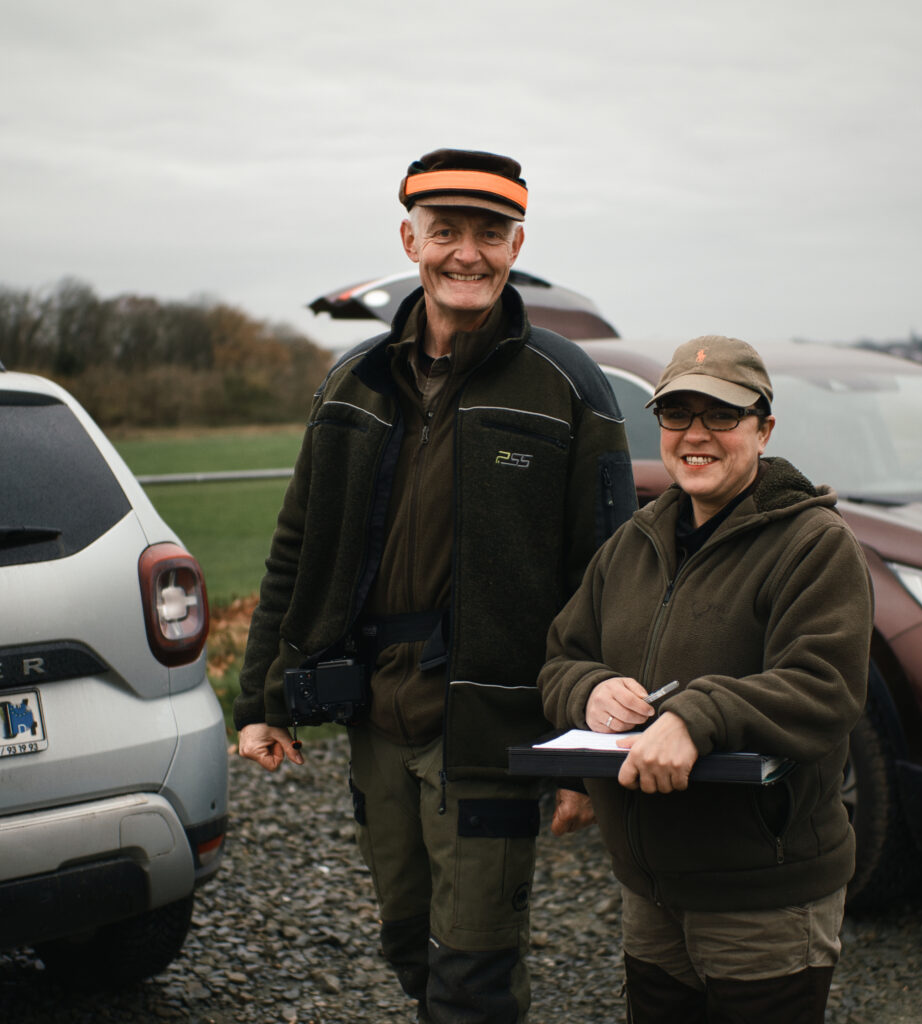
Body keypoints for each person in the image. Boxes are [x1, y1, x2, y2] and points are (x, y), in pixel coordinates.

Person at [233, 147, 636, 1024]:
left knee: (473, 972)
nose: (466, 253)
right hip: (376, 714)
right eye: (445, 231)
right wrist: (262, 699)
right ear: (408, 239)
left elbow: (607, 576)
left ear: (516, 244)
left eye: (489, 234)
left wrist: (586, 757)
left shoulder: (567, 385)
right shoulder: (353, 381)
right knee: (407, 944)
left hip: (493, 724)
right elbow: (296, 550)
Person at [537, 335, 873, 1023]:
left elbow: (823, 686)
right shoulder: (632, 543)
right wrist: (589, 691)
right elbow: (561, 659)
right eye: (676, 414)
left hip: (762, 895)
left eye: (721, 415)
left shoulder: (813, 544)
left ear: (763, 429)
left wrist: (696, 717)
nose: (695, 435)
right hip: (649, 889)